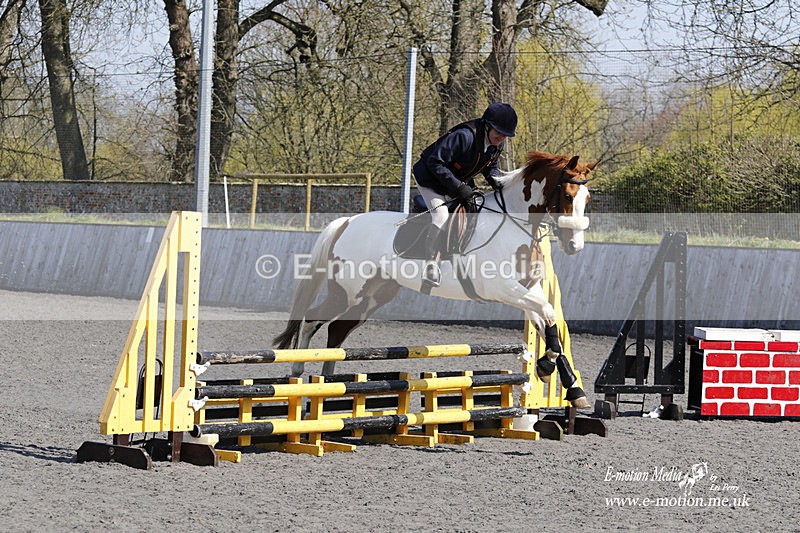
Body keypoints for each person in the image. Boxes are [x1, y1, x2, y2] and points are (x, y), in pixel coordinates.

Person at [412, 102, 518, 287]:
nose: (501, 138)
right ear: (487, 125)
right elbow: (435, 162)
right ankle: (430, 265)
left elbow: (490, 167)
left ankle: (461, 256)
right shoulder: (464, 136)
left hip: (455, 177)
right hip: (429, 176)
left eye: (505, 135)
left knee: (476, 208)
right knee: (441, 215)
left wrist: (496, 181)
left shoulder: (496, 145)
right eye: (498, 132)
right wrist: (459, 187)